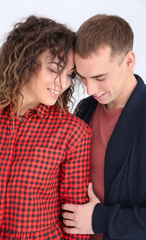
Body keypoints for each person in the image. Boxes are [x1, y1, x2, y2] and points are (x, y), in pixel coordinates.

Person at [0, 15, 92, 239]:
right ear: (26, 61)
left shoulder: (73, 133)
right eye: (54, 69)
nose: (62, 84)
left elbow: (75, 223)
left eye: (69, 75)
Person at [62, 14, 146, 240]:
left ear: (128, 61)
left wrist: (102, 219)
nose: (90, 89)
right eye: (83, 78)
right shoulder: (84, 109)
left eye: (100, 77)